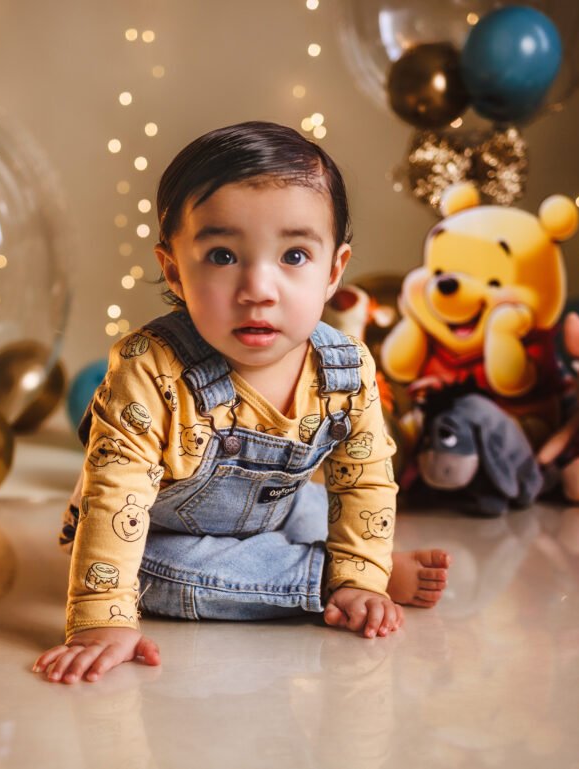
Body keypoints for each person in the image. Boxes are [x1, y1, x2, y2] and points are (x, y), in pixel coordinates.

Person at [34, 121, 450, 684]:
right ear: (174, 269)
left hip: (273, 508)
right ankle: (323, 580)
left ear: (334, 270)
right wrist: (101, 620)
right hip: (155, 530)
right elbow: (117, 496)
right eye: (224, 255)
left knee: (316, 508)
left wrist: (364, 572)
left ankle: (353, 574)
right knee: (171, 573)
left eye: (294, 255)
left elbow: (364, 481)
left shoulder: (346, 367)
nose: (259, 287)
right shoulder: (149, 368)